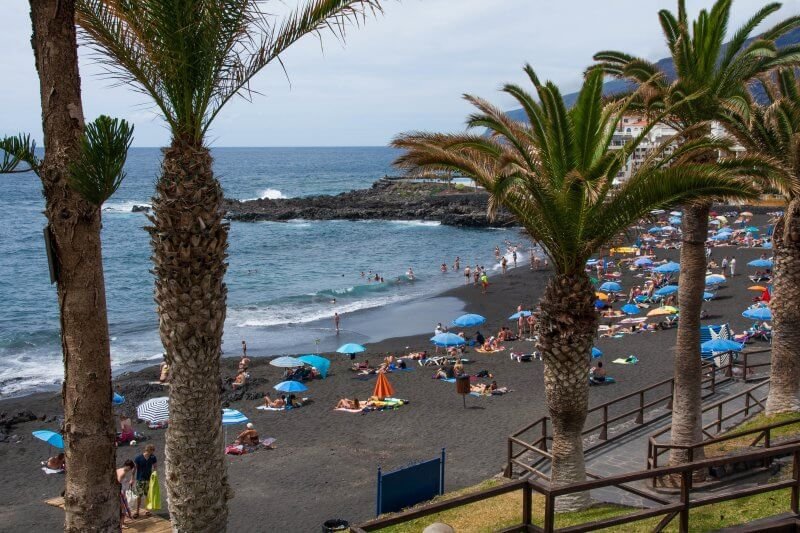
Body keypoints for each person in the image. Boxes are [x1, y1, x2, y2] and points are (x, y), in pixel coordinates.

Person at [133, 445, 157, 518]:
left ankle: (147, 510)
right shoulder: (138, 458)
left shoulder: (153, 457)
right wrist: (132, 478)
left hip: (148, 479)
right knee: (138, 496)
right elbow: (134, 469)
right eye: (153, 450)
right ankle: (137, 512)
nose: (153, 452)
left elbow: (155, 467)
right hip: (140, 479)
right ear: (149, 450)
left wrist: (154, 475)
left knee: (148, 495)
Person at [117, 459, 135, 529]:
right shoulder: (123, 473)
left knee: (121, 509)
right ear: (127, 466)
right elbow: (118, 483)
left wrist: (132, 478)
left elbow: (135, 466)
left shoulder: (119, 469)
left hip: (121, 493)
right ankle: (121, 526)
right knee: (123, 511)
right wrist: (122, 495)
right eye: (130, 468)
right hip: (120, 493)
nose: (130, 470)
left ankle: (122, 522)